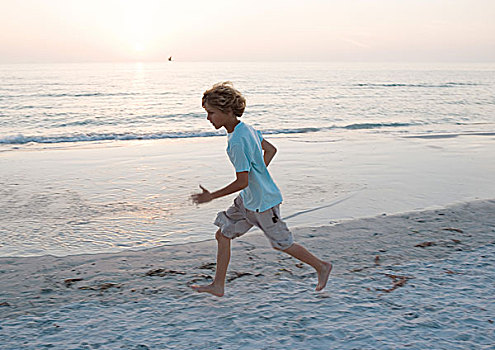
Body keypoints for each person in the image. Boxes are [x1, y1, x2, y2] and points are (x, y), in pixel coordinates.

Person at [190, 82, 332, 297]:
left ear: (227, 111)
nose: (208, 118)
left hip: (263, 203)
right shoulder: (246, 129)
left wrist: (212, 196)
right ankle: (218, 286)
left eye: (211, 113)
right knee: (223, 234)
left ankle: (321, 266)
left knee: (282, 244)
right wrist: (259, 174)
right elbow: (271, 150)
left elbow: (242, 182)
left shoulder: (236, 142)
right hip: (248, 200)